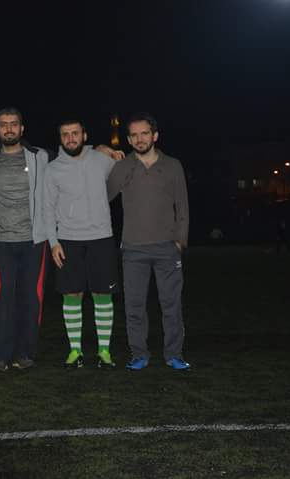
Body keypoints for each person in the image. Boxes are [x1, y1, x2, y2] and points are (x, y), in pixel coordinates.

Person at [107, 112, 190, 370]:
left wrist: (180, 242)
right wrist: (101, 153)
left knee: (171, 306)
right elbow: (101, 198)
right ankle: (139, 354)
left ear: (155, 136)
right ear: (129, 140)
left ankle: (174, 354)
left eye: (144, 133)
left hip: (167, 248)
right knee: (134, 307)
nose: (139, 139)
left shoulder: (173, 165)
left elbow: (183, 206)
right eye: (134, 135)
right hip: (133, 249)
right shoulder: (122, 167)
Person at [0, 107, 49, 371]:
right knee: (3, 296)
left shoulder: (41, 157)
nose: (9, 129)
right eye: (3, 124)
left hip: (34, 240)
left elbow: (72, 156)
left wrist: (101, 148)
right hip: (1, 240)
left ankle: (25, 353)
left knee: (31, 297)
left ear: (22, 128)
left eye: (13, 124)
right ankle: (0, 355)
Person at [44, 119, 120, 369]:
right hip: (68, 239)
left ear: (84, 136)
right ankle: (75, 350)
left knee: (102, 294)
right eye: (65, 134)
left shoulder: (102, 160)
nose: (70, 138)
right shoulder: (52, 169)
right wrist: (53, 242)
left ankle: (104, 351)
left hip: (102, 237)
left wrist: (108, 150)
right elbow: (47, 208)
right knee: (72, 294)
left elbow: (120, 179)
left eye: (75, 133)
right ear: (60, 139)